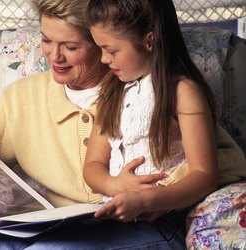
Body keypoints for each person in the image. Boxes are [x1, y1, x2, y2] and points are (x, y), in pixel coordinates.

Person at [0, 0, 245, 249]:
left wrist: (150, 193)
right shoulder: (31, 97)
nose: (54, 56)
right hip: (68, 225)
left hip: (143, 224)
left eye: (71, 47)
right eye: (46, 41)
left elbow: (213, 166)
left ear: (101, 41)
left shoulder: (150, 90)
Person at [83, 0, 219, 225]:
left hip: (159, 222)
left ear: (148, 41)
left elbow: (204, 176)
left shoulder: (183, 92)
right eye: (100, 49)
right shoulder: (112, 93)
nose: (103, 59)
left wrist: (147, 200)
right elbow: (92, 165)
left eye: (111, 50)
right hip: (111, 218)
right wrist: (114, 185)